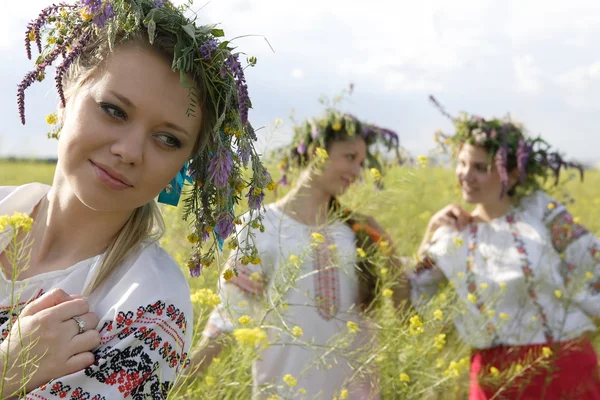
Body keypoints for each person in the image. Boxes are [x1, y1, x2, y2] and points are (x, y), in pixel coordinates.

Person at [0, 1, 268, 398]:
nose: (129, 151)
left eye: (167, 139)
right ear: (65, 95)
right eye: (114, 110)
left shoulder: (150, 307)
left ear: (183, 166)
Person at [190, 108, 407, 399]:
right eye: (349, 158)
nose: (357, 171)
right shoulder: (260, 226)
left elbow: (404, 302)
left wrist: (413, 240)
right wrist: (181, 379)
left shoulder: (357, 231)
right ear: (317, 153)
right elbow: (229, 318)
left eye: (361, 162)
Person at [409, 97, 600, 399]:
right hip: (493, 374)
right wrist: (429, 231)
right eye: (461, 163)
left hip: (563, 366)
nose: (465, 175)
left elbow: (592, 260)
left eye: (480, 167)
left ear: (510, 175)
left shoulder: (541, 212)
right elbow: (411, 291)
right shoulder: (453, 235)